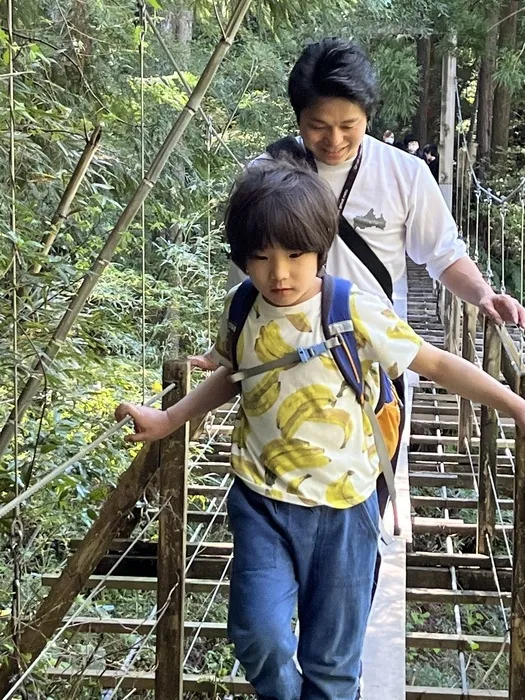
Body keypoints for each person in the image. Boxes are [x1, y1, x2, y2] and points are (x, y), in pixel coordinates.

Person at [116, 159, 525, 700]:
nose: (278, 274)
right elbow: (233, 375)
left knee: (331, 668)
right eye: (260, 258)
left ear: (321, 249)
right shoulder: (242, 306)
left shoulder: (353, 309)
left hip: (344, 510)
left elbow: (435, 363)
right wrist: (169, 420)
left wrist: (516, 405)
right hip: (261, 500)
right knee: (257, 635)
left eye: (295, 256)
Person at [189, 37, 523, 363]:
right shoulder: (265, 173)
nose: (334, 140)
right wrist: (229, 347)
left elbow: (444, 255)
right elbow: (245, 268)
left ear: (368, 116)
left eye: (348, 125)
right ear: (298, 118)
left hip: (374, 364)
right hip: (281, 362)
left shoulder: (405, 173)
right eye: (318, 125)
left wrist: (483, 295)